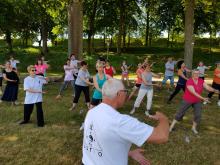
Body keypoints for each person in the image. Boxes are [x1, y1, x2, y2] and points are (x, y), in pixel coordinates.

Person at [82, 78, 169, 165]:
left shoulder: (92, 112)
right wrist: (164, 119)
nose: (126, 94)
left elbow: (100, 143)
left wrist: (128, 153)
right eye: (125, 91)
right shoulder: (121, 122)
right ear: (119, 94)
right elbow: (162, 136)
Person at [169, 69, 219, 134]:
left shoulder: (201, 80)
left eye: (198, 73)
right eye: (195, 73)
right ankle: (171, 127)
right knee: (180, 113)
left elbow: (208, 88)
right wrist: (203, 98)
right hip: (188, 99)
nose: (196, 75)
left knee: (198, 114)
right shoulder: (189, 81)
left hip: (197, 100)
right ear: (192, 74)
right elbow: (193, 92)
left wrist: (215, 90)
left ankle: (193, 128)